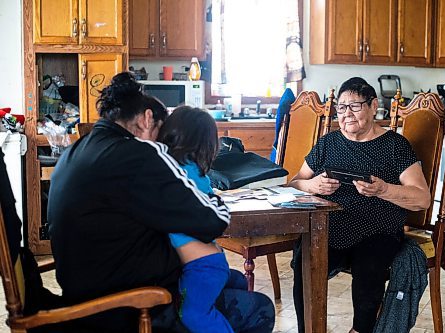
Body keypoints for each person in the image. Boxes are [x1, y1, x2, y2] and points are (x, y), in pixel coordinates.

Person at [48, 72, 275, 333]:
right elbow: (213, 221)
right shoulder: (138, 154)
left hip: (88, 300)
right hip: (128, 307)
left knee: (231, 281)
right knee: (259, 308)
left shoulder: (77, 151)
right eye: (161, 134)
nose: (163, 145)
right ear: (147, 119)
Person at [288, 77, 431, 333]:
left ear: (373, 105)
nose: (346, 114)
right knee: (305, 257)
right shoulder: (328, 143)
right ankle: (307, 329)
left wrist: (383, 189)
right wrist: (312, 186)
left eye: (354, 106)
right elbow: (295, 182)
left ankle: (361, 330)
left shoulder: (395, 146)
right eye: (341, 108)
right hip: (331, 227)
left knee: (370, 266)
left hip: (378, 229)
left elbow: (422, 198)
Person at [157, 105, 245, 333]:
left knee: (193, 315)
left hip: (201, 267)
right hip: (210, 262)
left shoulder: (175, 172)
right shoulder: (195, 172)